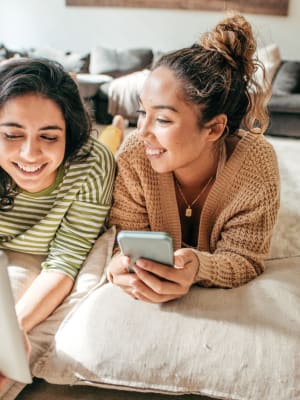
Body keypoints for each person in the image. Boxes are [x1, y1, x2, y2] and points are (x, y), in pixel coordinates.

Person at [106, 14, 280, 303]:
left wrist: (200, 267)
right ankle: (114, 125)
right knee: (109, 141)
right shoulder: (135, 154)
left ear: (214, 128)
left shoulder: (256, 165)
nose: (143, 131)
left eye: (161, 119)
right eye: (141, 113)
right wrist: (118, 266)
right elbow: (121, 238)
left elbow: (246, 258)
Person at [0, 58, 116, 389]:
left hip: (99, 153)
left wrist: (11, 333)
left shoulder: (92, 164)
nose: (30, 153)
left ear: (70, 131)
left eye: (49, 137)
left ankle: (118, 124)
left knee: (112, 141)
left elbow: (64, 262)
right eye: (11, 134)